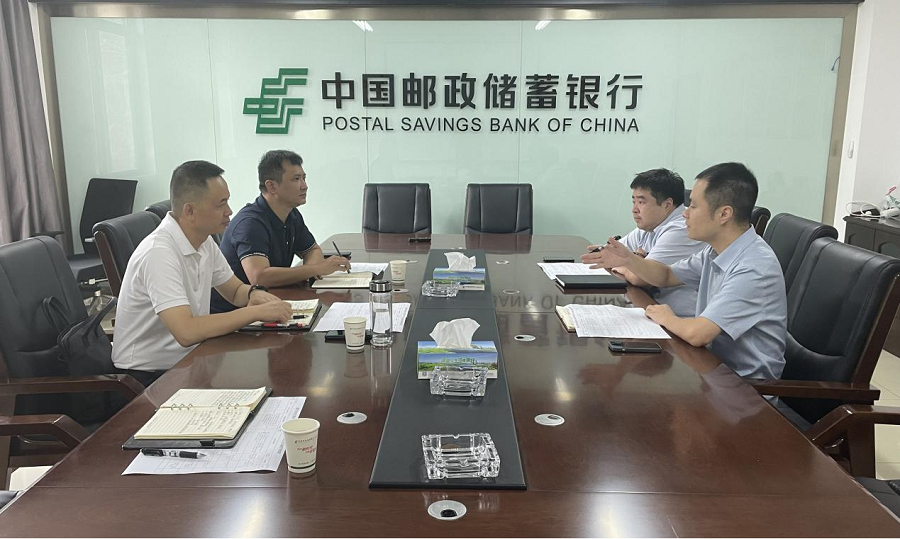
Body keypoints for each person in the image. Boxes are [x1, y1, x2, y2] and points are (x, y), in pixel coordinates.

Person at [581, 162, 786, 380]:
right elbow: (666, 275)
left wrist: (667, 317)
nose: (685, 214)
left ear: (724, 214)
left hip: (745, 388)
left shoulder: (753, 267)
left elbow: (699, 334)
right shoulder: (714, 251)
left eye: (693, 206)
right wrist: (630, 260)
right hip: (711, 370)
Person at [112, 160, 292, 381]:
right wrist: (254, 313)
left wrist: (254, 294)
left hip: (191, 359)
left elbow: (235, 292)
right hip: (148, 376)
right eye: (221, 204)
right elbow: (186, 332)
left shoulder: (204, 241)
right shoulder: (158, 253)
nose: (229, 211)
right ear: (190, 211)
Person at [211, 150, 349, 312]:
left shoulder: (291, 214)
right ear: (272, 186)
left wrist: (311, 272)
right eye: (296, 179)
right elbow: (259, 277)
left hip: (272, 303)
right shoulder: (250, 223)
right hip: (236, 314)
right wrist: (315, 269)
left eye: (304, 178)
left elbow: (311, 250)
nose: (304, 186)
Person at [584, 168, 703, 316]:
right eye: (633, 202)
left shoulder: (682, 228)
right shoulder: (649, 225)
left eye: (641, 202)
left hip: (680, 319)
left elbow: (638, 278)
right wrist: (635, 260)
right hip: (652, 307)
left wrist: (630, 261)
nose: (634, 209)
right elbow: (612, 253)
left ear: (667, 204)